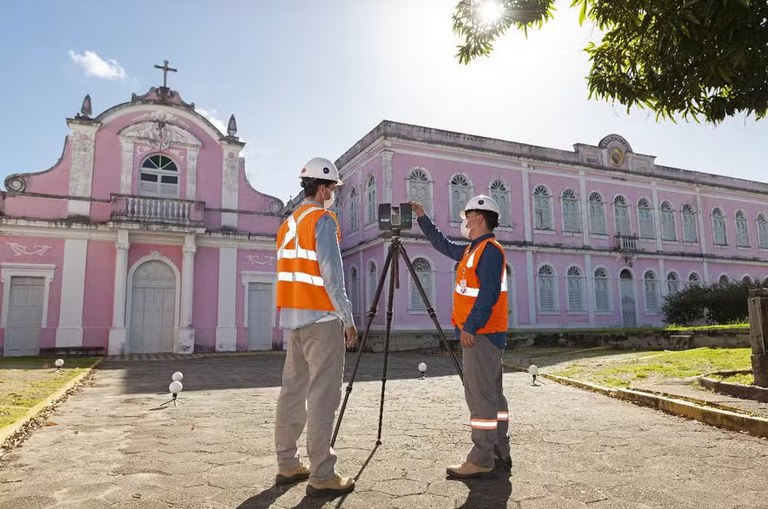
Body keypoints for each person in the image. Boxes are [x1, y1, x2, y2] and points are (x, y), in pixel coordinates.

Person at [274, 157, 358, 497]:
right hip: (322, 320)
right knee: (323, 396)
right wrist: (348, 320)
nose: (333, 194)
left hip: (293, 320)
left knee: (292, 392)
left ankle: (287, 463)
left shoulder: (288, 224)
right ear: (323, 188)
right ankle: (322, 474)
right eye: (333, 188)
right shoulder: (322, 219)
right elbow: (332, 276)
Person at [411, 196, 512, 478]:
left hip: (481, 334)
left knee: (480, 396)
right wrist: (422, 218)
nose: (464, 222)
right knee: (492, 395)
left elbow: (489, 294)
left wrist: (470, 327)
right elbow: (442, 244)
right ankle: (499, 450)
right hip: (485, 333)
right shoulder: (472, 250)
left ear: (479, 218)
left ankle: (481, 458)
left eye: (467, 217)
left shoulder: (489, 251)